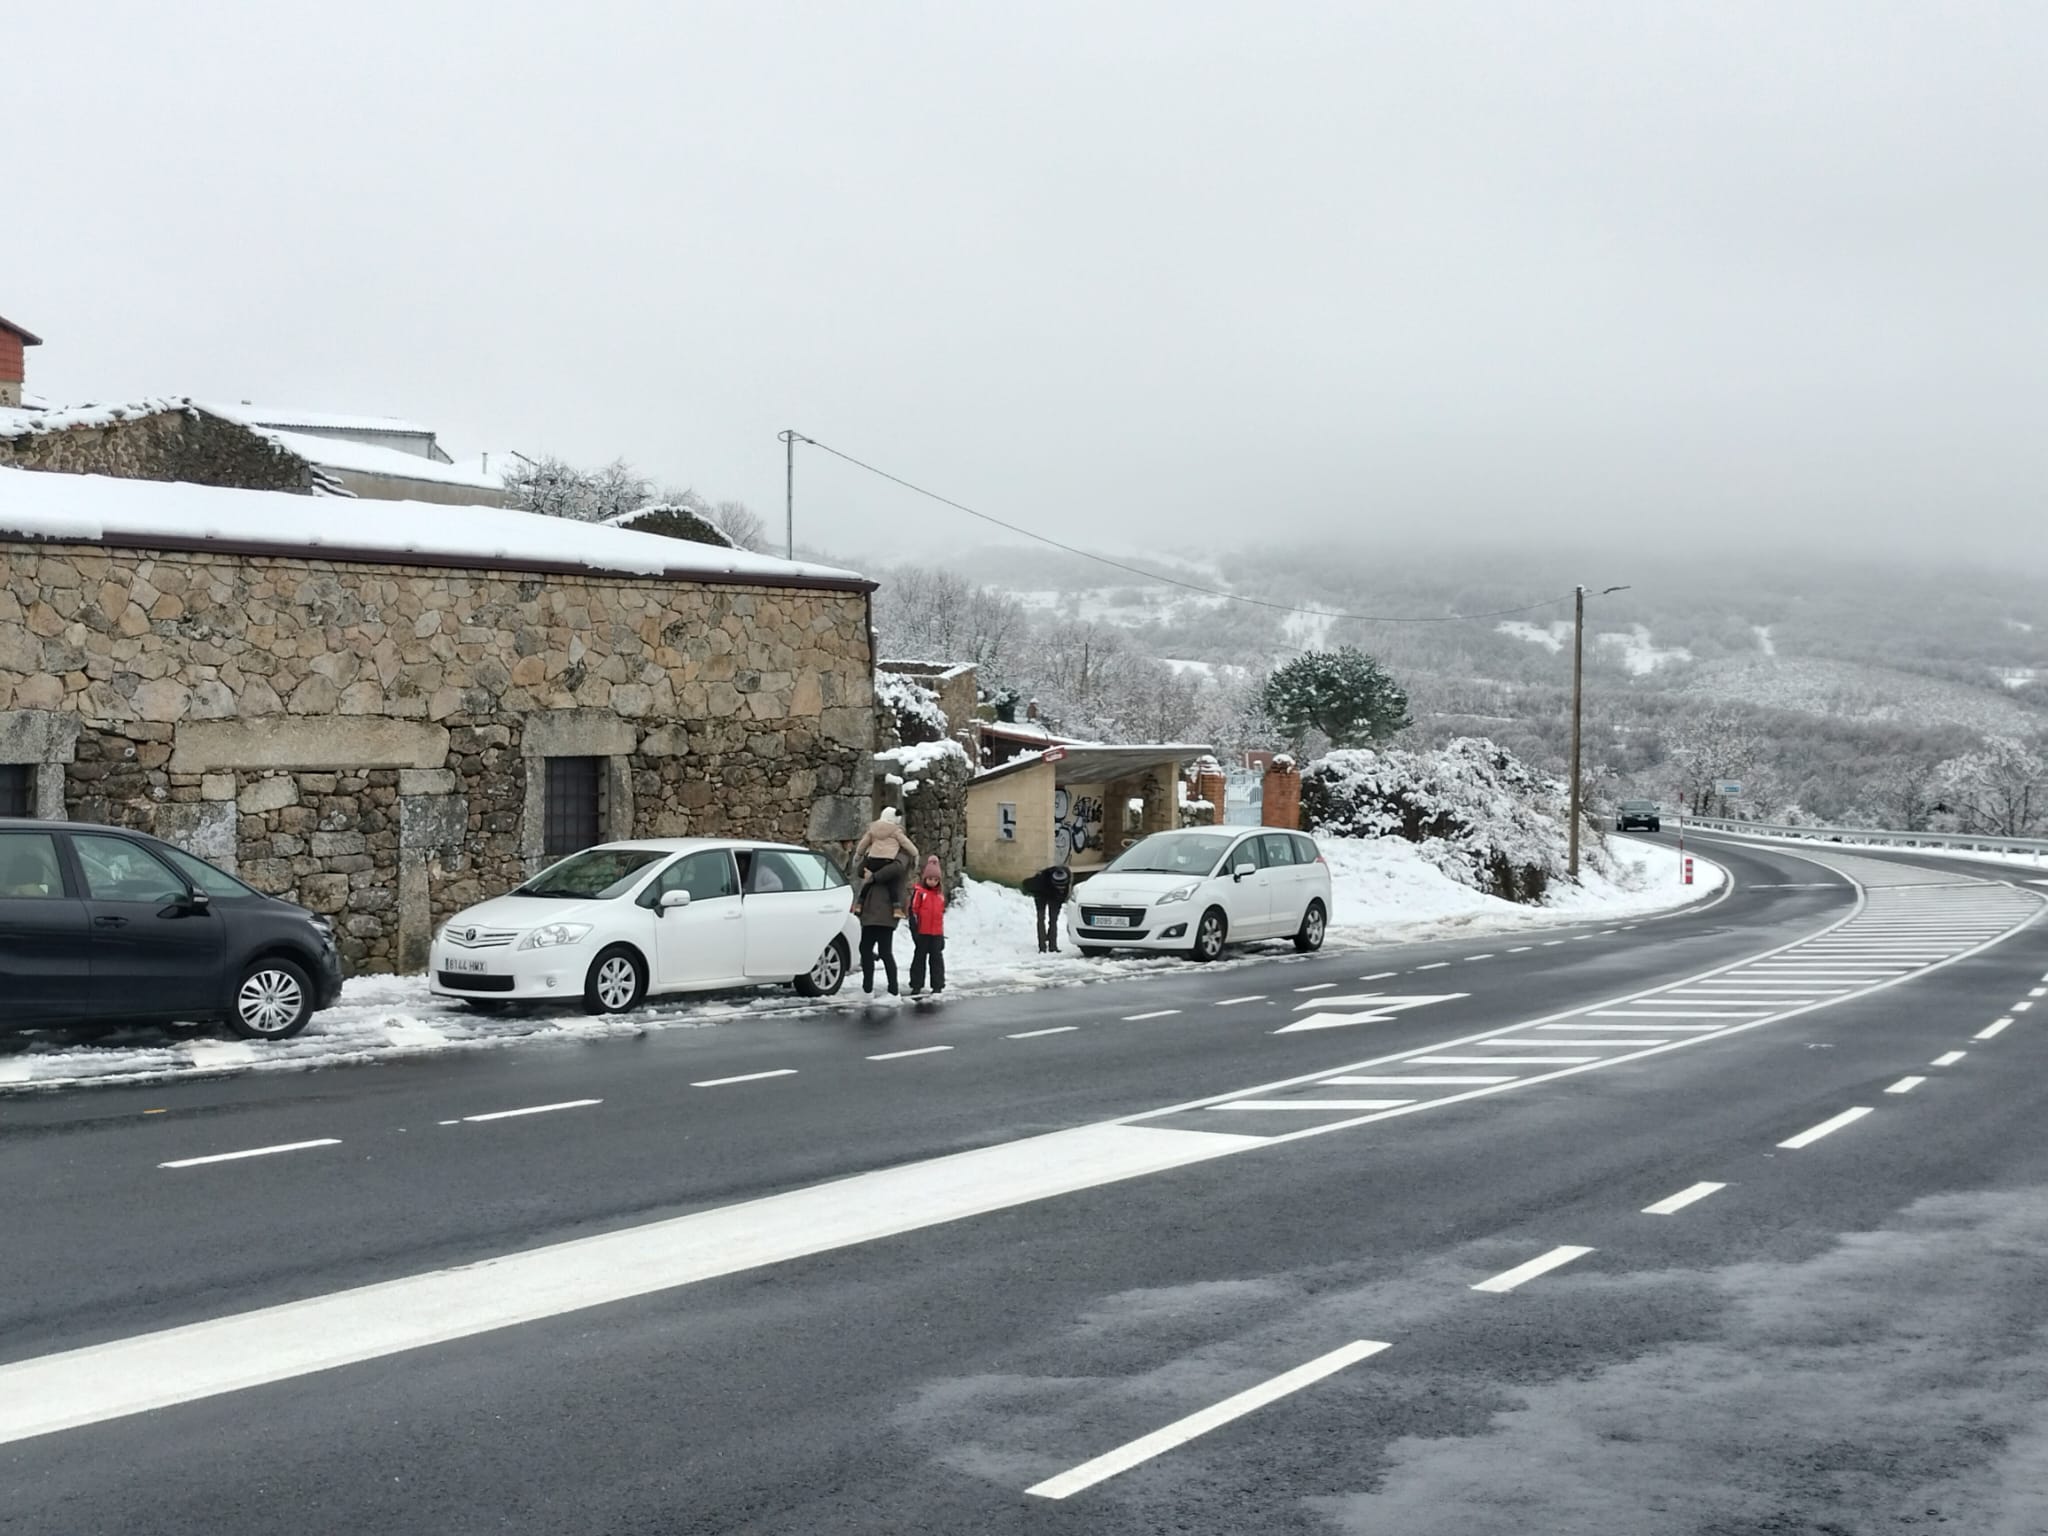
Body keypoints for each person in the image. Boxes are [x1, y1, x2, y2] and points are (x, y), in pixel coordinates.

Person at [851, 812, 919, 921]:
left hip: (872, 859)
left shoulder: (872, 829)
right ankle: (896, 908)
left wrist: (858, 855)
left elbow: (863, 843)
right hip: (887, 860)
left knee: (867, 883)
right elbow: (906, 843)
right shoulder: (896, 831)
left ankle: (859, 903)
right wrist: (915, 854)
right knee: (893, 882)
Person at [854, 859, 901, 996]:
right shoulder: (872, 861)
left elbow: (885, 873)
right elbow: (860, 871)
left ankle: (892, 989)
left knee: (884, 952)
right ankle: (867, 988)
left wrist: (872, 875)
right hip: (870, 916)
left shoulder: (895, 864)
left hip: (885, 917)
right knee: (866, 949)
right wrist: (867, 858)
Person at [907, 856, 947, 995]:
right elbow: (913, 911)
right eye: (930, 879)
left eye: (935, 880)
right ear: (925, 878)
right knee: (919, 959)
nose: (932, 882)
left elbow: (940, 916)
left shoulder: (940, 896)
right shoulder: (920, 893)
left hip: (936, 933)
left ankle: (938, 985)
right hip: (922, 932)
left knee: (936, 960)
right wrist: (915, 930)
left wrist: (941, 935)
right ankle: (916, 985)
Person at [1021, 863, 1073, 953]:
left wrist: (1060, 902)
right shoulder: (1041, 880)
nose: (1061, 888)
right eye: (1059, 886)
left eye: (1062, 886)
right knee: (1041, 918)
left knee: (1054, 919)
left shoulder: (1067, 876)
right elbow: (1026, 884)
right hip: (1040, 894)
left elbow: (1064, 893)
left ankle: (1053, 946)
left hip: (1055, 895)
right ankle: (1042, 947)